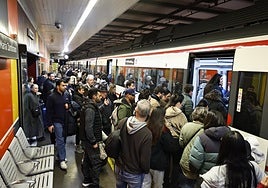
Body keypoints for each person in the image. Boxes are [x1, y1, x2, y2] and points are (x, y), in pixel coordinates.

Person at [199, 131, 265, 188]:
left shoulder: (216, 173)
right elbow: (265, 181)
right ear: (243, 149)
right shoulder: (253, 167)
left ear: (223, 149)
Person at [115, 99, 152, 188]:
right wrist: (146, 170)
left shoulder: (123, 122)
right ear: (148, 114)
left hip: (120, 167)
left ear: (136, 110)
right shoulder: (147, 134)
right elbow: (144, 159)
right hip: (135, 173)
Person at [143, 107, 177, 188]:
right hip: (158, 164)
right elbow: (171, 147)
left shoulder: (146, 127)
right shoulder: (164, 131)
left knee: (145, 184)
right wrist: (171, 130)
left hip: (146, 161)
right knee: (157, 185)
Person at [189, 110, 230, 175]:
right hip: (222, 176)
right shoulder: (230, 137)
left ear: (207, 121)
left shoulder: (202, 138)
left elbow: (195, 164)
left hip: (205, 176)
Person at [80, 88, 106, 188]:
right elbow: (88, 127)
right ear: (94, 96)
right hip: (91, 141)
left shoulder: (90, 106)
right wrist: (93, 141)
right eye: (99, 95)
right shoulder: (90, 109)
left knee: (87, 160)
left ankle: (87, 180)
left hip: (87, 140)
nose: (101, 97)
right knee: (96, 162)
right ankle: (95, 184)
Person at [46, 79, 69, 170]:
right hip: (56, 121)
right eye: (63, 85)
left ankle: (60, 155)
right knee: (60, 140)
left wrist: (68, 105)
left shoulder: (66, 95)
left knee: (64, 139)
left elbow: (70, 103)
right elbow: (49, 111)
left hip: (65, 121)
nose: (65, 87)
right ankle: (62, 160)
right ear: (57, 86)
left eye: (65, 85)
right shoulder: (51, 97)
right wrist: (49, 124)